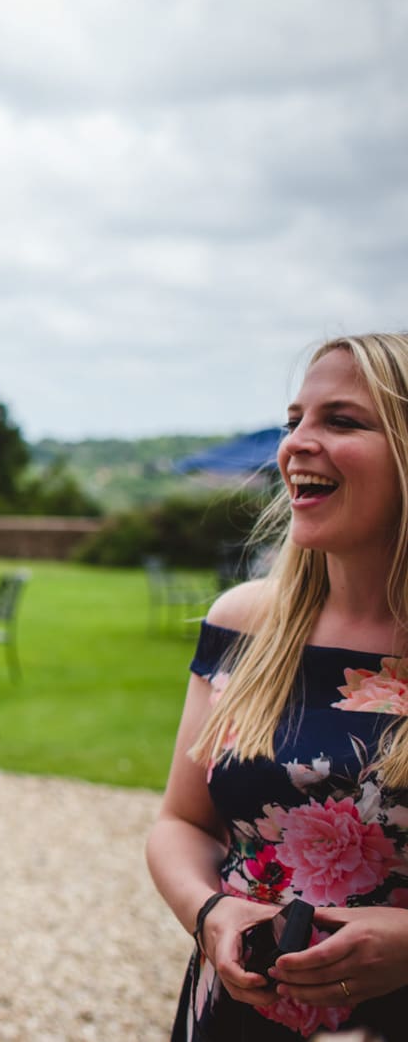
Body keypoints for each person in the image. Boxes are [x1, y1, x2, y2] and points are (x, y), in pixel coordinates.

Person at [146, 333, 408, 1040]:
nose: (297, 443)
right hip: (237, 1014)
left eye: (342, 420)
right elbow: (182, 822)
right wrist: (212, 913)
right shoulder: (244, 626)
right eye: (296, 420)